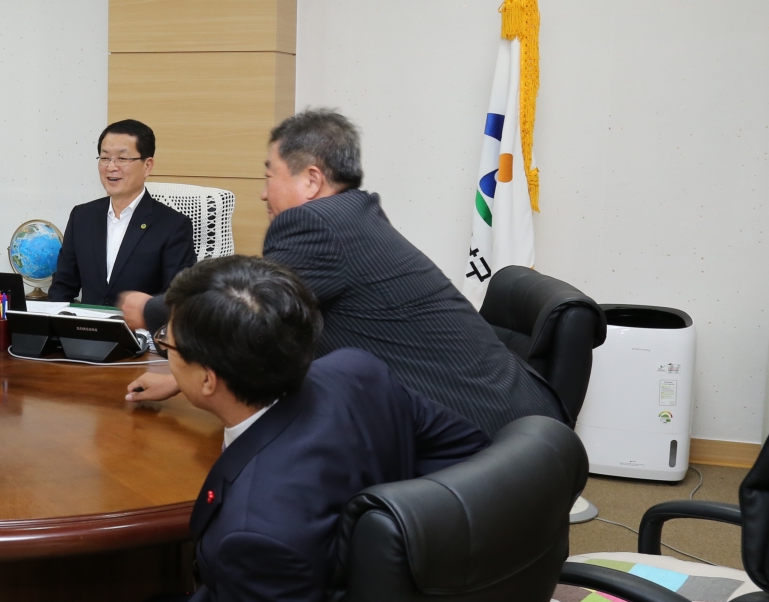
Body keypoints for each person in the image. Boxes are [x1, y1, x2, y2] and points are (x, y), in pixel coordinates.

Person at [55, 257, 488, 602]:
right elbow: (469, 452)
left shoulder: (255, 530)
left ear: (210, 379)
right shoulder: (357, 371)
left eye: (169, 350)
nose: (166, 357)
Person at [123, 109, 566, 437]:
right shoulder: (354, 214)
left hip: (480, 434)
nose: (262, 194)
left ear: (311, 179)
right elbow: (288, 336)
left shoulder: (315, 224)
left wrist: (151, 309)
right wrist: (180, 383)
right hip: (521, 422)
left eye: (269, 176)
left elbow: (243, 304)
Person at [47, 119, 195, 306]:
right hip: (84, 334)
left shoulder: (173, 226)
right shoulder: (82, 217)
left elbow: (176, 300)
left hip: (139, 333)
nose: (111, 167)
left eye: (122, 159)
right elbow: (62, 287)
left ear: (147, 166)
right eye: (105, 157)